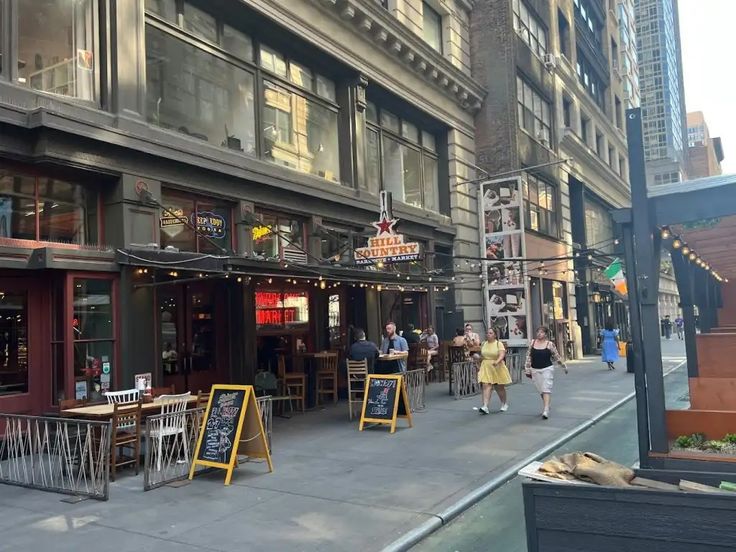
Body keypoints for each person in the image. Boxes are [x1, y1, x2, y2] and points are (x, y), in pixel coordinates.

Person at [525, 326, 567, 420]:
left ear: (546, 334)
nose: (539, 334)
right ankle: (547, 404)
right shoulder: (532, 343)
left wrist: (563, 366)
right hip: (535, 369)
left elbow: (556, 356)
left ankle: (546, 409)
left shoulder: (549, 344)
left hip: (547, 368)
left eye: (542, 332)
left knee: (546, 388)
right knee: (541, 390)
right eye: (538, 332)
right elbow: (528, 356)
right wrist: (527, 369)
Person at [473, 328, 511, 414]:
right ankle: (485, 406)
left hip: (497, 366)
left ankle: (504, 403)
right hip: (486, 366)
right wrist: (478, 358)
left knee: (499, 387)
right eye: (487, 333)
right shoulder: (484, 344)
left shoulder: (498, 344)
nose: (488, 334)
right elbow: (483, 356)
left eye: (490, 333)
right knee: (486, 385)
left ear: (495, 335)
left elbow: (502, 354)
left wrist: (497, 362)